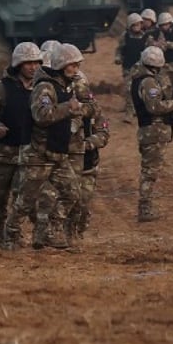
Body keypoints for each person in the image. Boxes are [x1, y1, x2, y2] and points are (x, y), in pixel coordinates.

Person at [3, 43, 87, 251]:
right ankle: (10, 235)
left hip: (57, 153)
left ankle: (51, 230)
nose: (76, 69)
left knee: (72, 193)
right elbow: (42, 116)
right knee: (25, 201)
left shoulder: (66, 86)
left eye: (77, 65)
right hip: (38, 155)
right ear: (61, 65)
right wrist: (69, 108)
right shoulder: (45, 87)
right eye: (72, 65)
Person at [0, 42, 42, 249]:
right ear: (18, 64)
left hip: (29, 154)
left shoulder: (42, 89)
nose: (33, 67)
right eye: (28, 63)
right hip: (2, 154)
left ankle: (16, 234)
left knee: (24, 198)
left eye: (36, 62)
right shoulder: (1, 88)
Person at [128, 46, 173, 222]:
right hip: (153, 132)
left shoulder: (142, 78)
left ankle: (146, 206)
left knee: (150, 170)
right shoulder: (148, 82)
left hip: (152, 132)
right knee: (150, 171)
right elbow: (154, 107)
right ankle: (145, 208)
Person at [68, 72, 109, 242]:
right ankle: (66, 235)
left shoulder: (94, 109)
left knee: (83, 203)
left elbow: (104, 133)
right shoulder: (62, 109)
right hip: (66, 165)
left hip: (88, 165)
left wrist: (88, 144)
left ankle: (77, 233)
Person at [115, 13, 148, 123]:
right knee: (128, 90)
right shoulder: (125, 36)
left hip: (142, 68)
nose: (137, 27)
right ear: (130, 26)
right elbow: (119, 49)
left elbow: (150, 51)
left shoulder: (146, 37)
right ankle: (129, 113)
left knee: (142, 90)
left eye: (139, 24)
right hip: (128, 68)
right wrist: (118, 57)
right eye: (134, 25)